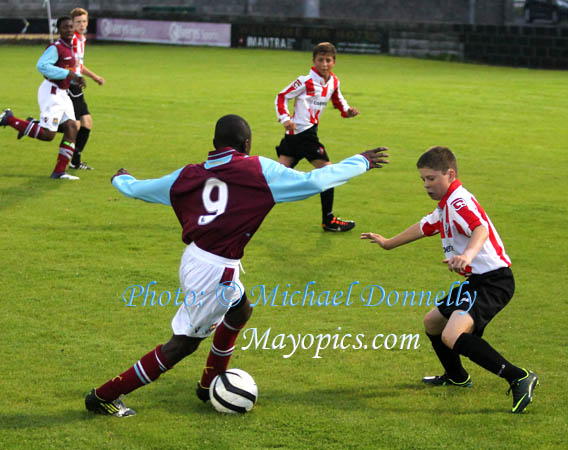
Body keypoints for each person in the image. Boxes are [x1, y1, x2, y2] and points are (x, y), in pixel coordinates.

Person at [85, 114, 388, 416]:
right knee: (182, 345)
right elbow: (315, 180)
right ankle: (104, 396)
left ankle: (209, 384)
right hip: (215, 270)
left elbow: (141, 190)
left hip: (196, 257)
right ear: (246, 143)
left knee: (241, 309)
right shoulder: (258, 169)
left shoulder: (188, 175)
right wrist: (360, 161)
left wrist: (122, 179)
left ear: (214, 144)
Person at [361, 146, 538, 414]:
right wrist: (387, 243)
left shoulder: (458, 202)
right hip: (476, 281)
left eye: (431, 178)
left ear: (450, 174)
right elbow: (425, 226)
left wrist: (466, 255)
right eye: (423, 179)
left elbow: (480, 228)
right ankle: (457, 376)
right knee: (432, 322)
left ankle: (518, 377)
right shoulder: (445, 205)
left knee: (452, 334)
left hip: (493, 281)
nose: (426, 184)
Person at [275, 42, 360, 232]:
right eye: (320, 60)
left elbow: (339, 101)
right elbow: (281, 96)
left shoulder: (333, 82)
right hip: (303, 134)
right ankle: (329, 220)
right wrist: (285, 119)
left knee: (274, 178)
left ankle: (241, 206)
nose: (324, 64)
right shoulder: (305, 81)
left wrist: (348, 111)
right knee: (329, 174)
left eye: (328, 60)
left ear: (334, 62)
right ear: (313, 61)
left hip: (297, 136)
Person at [0, 16, 86, 180]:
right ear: (58, 30)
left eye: (70, 27)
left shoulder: (71, 47)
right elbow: (42, 66)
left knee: (72, 127)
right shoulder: (56, 47)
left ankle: (59, 172)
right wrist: (67, 73)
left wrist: (77, 77)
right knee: (48, 135)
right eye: (65, 27)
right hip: (51, 92)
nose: (69, 30)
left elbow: (69, 68)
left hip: (63, 92)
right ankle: (9, 119)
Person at [68, 7, 105, 171]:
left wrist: (95, 77)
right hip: (70, 84)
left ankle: (75, 160)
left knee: (87, 123)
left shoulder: (81, 39)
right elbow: (66, 62)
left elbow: (79, 65)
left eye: (84, 21)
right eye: (78, 22)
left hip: (78, 84)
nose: (82, 24)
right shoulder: (71, 40)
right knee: (73, 126)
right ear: (72, 23)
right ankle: (35, 125)